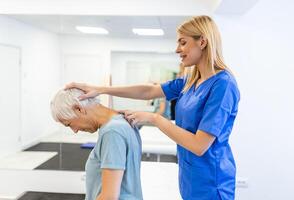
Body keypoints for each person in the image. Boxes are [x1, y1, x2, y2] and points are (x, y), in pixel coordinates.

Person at [66, 15, 240, 200]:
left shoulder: (223, 85)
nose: (177, 49)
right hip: (189, 176)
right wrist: (100, 89)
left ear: (202, 42)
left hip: (212, 182)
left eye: (183, 42)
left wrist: (153, 118)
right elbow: (148, 91)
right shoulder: (190, 81)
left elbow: (199, 145)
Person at [50, 88, 143, 200]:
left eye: (69, 124)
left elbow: (109, 197)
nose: (74, 130)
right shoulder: (121, 122)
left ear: (79, 109)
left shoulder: (112, 132)